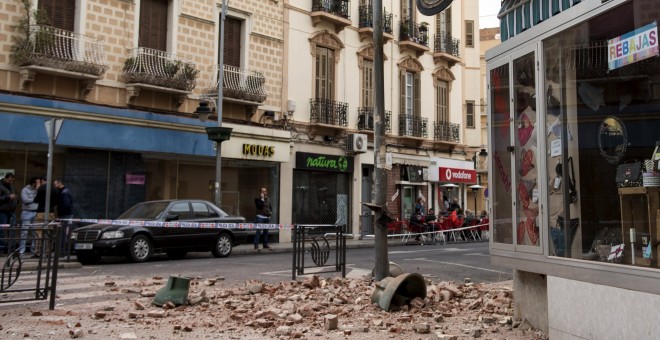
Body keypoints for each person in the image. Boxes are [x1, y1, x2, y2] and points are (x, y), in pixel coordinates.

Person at [34, 176, 58, 257]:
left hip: (41, 212)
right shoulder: (54, 189)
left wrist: (38, 189)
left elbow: (36, 200)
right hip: (51, 213)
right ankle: (47, 251)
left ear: (42, 181)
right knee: (49, 232)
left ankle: (38, 251)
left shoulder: (41, 188)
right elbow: (56, 202)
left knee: (39, 232)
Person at [19, 177, 40, 256]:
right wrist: (34, 198)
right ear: (33, 183)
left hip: (35, 212)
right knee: (24, 232)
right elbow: (25, 200)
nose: (38, 184)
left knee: (34, 232)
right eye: (37, 183)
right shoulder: (25, 190)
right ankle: (21, 251)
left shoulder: (38, 190)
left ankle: (33, 250)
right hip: (26, 212)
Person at [54, 179, 74, 255]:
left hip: (65, 215)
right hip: (66, 215)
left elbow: (66, 205)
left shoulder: (64, 193)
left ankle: (63, 250)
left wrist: (60, 215)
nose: (54, 186)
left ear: (59, 183)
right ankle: (63, 250)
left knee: (63, 233)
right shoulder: (64, 191)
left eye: (55, 184)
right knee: (64, 233)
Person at [0, 173, 18, 254]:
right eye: (10, 180)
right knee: (2, 231)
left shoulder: (12, 186)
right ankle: (1, 249)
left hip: (12, 211)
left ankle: (11, 249)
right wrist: (7, 197)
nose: (11, 182)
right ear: (5, 178)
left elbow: (14, 194)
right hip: (3, 211)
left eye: (12, 180)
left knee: (12, 230)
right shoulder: (0, 186)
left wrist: (16, 200)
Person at [254, 187, 273, 251]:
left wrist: (270, 213)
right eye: (263, 191)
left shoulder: (268, 199)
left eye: (265, 191)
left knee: (266, 231)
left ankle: (265, 244)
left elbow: (270, 207)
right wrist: (262, 199)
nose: (265, 192)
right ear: (260, 192)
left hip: (266, 217)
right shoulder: (257, 199)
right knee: (258, 231)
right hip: (260, 217)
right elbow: (260, 206)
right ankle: (256, 245)